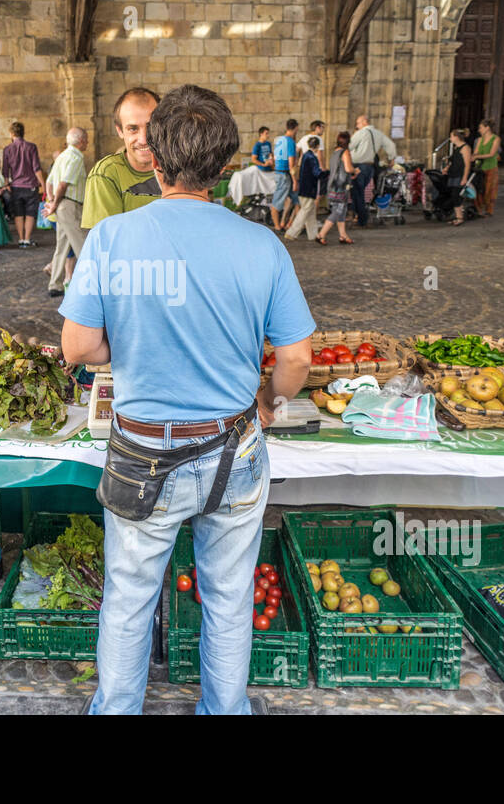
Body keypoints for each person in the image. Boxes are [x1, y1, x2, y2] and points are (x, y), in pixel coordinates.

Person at [59, 84, 314, 716]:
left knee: (128, 596)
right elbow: (298, 362)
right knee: (228, 597)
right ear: (225, 164)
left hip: (141, 448)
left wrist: (133, 341)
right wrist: (264, 399)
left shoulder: (112, 238)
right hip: (234, 446)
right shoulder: (262, 246)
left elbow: (77, 348)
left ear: (157, 156)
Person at [82, 87, 162, 229]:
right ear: (120, 131)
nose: (144, 139)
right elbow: (105, 243)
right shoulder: (106, 175)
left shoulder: (180, 167)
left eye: (151, 127)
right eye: (133, 129)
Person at [45, 127, 88, 296]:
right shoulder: (75, 157)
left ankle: (54, 284)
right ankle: (91, 284)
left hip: (61, 205)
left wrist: (52, 202)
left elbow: (49, 183)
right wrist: (54, 204)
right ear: (81, 141)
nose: (88, 143)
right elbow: (63, 184)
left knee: (61, 247)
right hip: (69, 205)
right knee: (82, 245)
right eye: (87, 139)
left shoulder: (61, 156)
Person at [0, 121, 46, 248]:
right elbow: (36, 168)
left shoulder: (7, 149)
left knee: (19, 214)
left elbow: (5, 170)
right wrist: (43, 184)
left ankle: (20, 239)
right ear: (23, 132)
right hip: (30, 186)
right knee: (30, 213)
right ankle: (27, 239)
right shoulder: (31, 147)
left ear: (11, 134)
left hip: (15, 186)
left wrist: (6, 184)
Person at [348, 114, 396, 228]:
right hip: (370, 167)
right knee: (359, 192)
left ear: (364, 122)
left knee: (357, 193)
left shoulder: (361, 133)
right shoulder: (378, 134)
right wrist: (391, 158)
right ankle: (358, 216)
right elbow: (390, 145)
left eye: (358, 123)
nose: (357, 125)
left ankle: (362, 218)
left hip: (358, 166)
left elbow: (349, 146)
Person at [315, 131, 354, 245]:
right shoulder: (345, 152)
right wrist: (355, 170)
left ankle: (343, 235)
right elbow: (348, 169)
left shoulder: (335, 152)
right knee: (338, 211)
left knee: (341, 210)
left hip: (332, 185)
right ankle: (321, 234)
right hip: (341, 186)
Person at [284, 137, 324, 242]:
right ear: (317, 146)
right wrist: (326, 173)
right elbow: (317, 173)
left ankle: (313, 234)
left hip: (304, 187)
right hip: (309, 189)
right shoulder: (312, 158)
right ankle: (291, 232)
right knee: (306, 210)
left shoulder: (305, 155)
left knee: (310, 212)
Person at [270, 119, 298, 231]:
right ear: (295, 128)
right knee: (277, 202)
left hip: (278, 171)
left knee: (296, 200)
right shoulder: (290, 141)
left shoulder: (279, 140)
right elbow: (291, 163)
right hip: (284, 174)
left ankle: (287, 223)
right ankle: (277, 226)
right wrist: (295, 180)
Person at [471, 120, 501, 216]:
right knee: (478, 188)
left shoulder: (496, 139)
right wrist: (473, 156)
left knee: (490, 189)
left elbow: (492, 154)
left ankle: (489, 210)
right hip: (480, 167)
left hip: (491, 167)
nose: (479, 130)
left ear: (487, 128)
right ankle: (478, 208)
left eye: (481, 127)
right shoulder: (480, 140)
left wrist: (476, 156)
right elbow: (476, 152)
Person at [446, 128, 474, 226]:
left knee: (456, 195)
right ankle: (458, 216)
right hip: (453, 174)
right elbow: (453, 161)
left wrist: (464, 178)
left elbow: (467, 164)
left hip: (460, 175)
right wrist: (447, 168)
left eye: (452, 136)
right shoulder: (456, 148)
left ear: (457, 137)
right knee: (454, 195)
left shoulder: (465, 148)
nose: (450, 138)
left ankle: (459, 217)